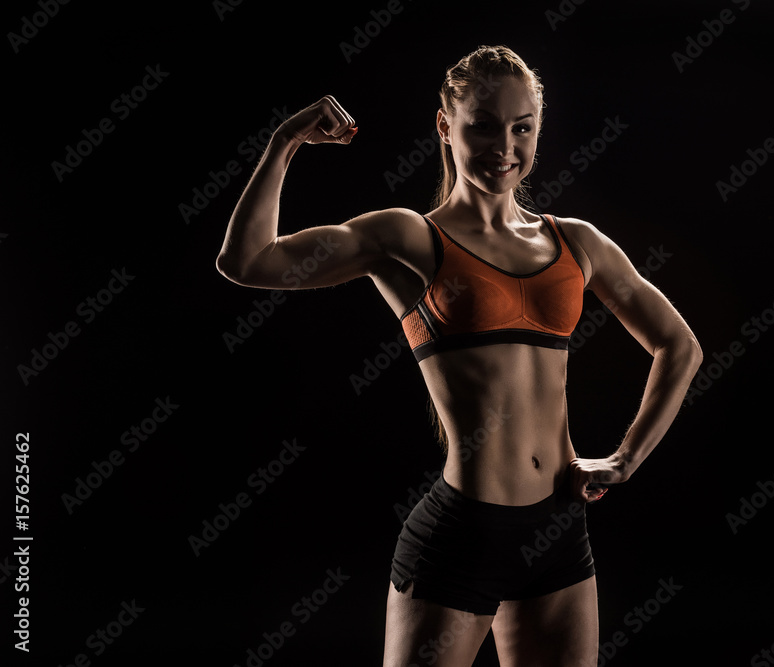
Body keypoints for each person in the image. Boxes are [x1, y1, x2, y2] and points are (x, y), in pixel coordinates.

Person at [216, 45, 702, 666]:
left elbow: (679, 345)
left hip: (558, 534)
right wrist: (287, 141)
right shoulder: (406, 238)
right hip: (460, 539)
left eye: (522, 127)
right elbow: (248, 262)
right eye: (482, 125)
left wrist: (628, 458)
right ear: (445, 126)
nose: (505, 145)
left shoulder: (576, 241)